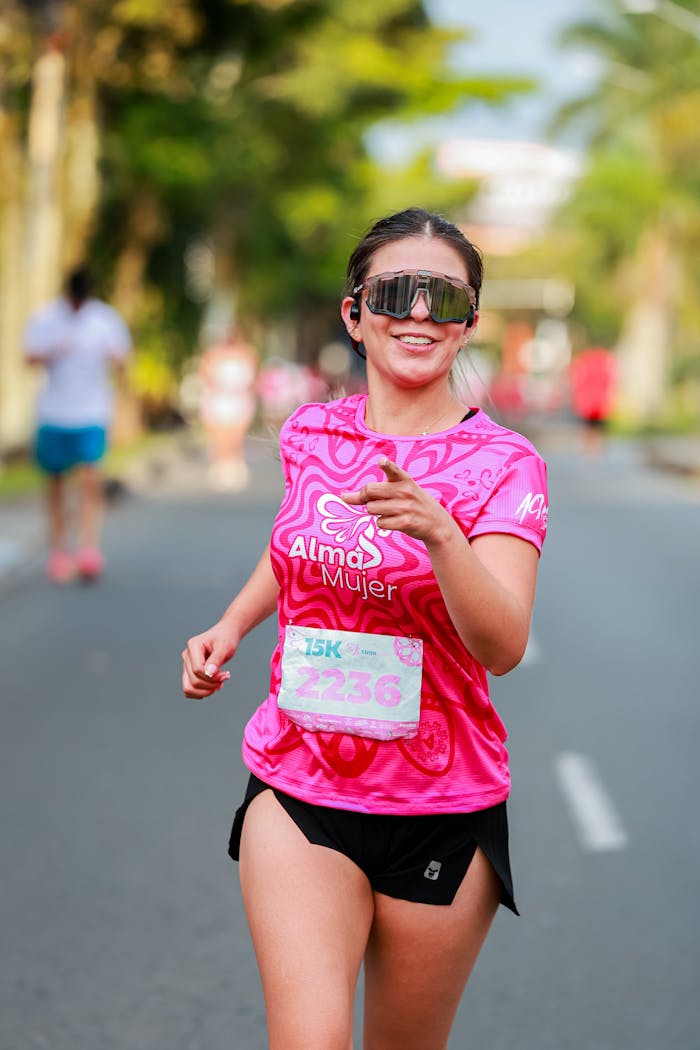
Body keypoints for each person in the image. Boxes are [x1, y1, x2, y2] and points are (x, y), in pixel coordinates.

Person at [182, 208, 548, 1049]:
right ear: (355, 314)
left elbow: (504, 644)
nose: (418, 313)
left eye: (443, 299)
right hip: (301, 780)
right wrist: (231, 624)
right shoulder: (311, 432)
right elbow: (294, 550)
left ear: (468, 326)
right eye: (395, 291)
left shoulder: (504, 465)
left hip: (442, 800)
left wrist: (442, 534)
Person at [24, 267, 132, 582]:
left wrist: (119, 371)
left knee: (90, 480)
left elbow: (123, 361)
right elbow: (28, 358)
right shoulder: (46, 319)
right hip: (54, 413)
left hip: (91, 414)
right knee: (55, 483)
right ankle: (58, 551)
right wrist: (52, 352)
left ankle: (88, 549)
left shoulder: (105, 320)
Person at [198, 327, 258, 491]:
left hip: (239, 399)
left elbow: (253, 376)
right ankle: (219, 466)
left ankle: (234, 465)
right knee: (219, 435)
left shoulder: (247, 353)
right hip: (219, 398)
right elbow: (205, 373)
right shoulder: (214, 353)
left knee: (235, 435)